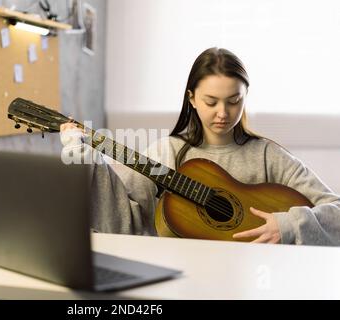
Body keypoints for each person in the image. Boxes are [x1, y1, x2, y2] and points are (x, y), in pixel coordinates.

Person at [60, 47, 340, 246]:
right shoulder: (166, 153)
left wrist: (289, 225)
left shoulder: (268, 155)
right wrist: (88, 161)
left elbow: (336, 211)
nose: (223, 112)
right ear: (192, 99)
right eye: (211, 101)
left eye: (234, 101)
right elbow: (125, 224)